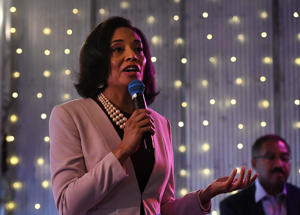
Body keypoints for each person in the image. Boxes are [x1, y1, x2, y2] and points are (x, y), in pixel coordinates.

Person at [49, 16, 257, 215]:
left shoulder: (159, 123)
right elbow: (68, 205)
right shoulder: (71, 116)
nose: (132, 55)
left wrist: (205, 195)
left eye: (138, 49)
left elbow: (162, 207)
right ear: (98, 60)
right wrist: (122, 150)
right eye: (118, 49)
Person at [220, 134, 300, 215]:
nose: (279, 164)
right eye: (270, 157)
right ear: (254, 163)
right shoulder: (232, 206)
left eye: (284, 157)